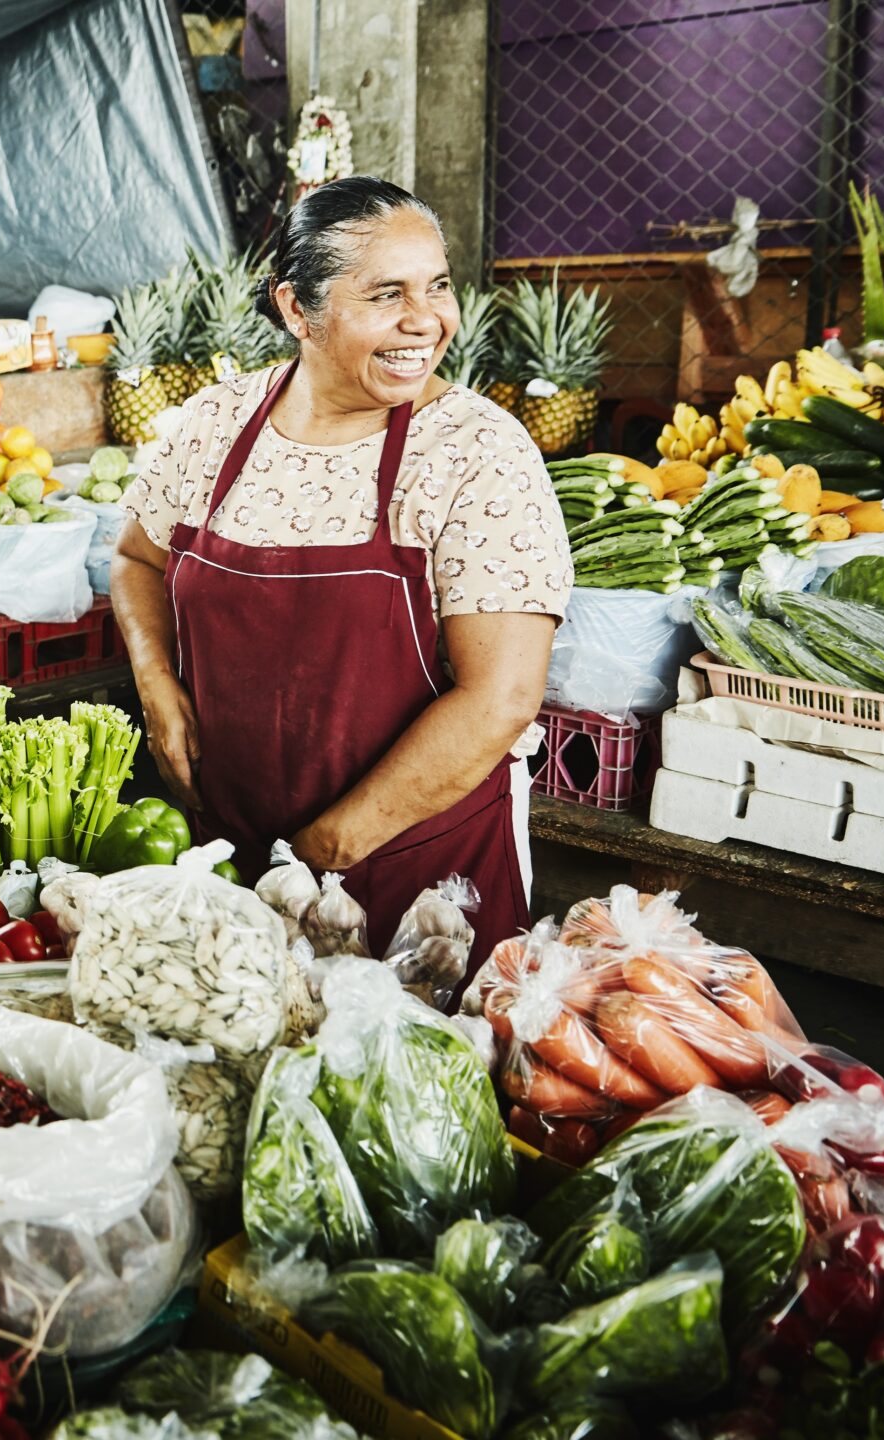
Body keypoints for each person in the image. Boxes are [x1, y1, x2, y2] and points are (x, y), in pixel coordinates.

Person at [112, 176, 570, 972]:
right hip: (226, 849)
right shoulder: (215, 424)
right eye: (386, 293)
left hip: (418, 887)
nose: (424, 321)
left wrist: (326, 851)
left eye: (436, 288)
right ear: (298, 310)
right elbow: (134, 559)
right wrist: (155, 681)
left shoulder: (475, 452)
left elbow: (500, 699)